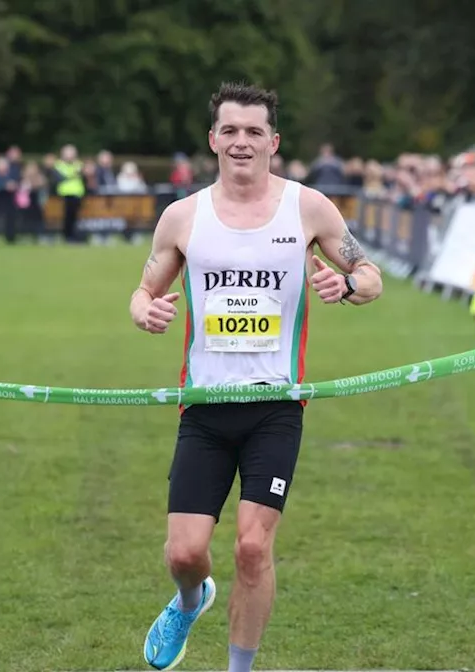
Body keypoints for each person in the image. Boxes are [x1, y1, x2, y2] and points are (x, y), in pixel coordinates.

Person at [128, 81, 384, 672]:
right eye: (230, 131)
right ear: (213, 139)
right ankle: (191, 601)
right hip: (204, 405)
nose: (241, 142)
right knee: (186, 553)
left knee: (251, 545)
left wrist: (345, 285)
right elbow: (144, 291)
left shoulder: (309, 208)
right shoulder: (183, 216)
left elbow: (370, 273)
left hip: (276, 405)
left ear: (274, 141)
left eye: (253, 131)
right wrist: (146, 310)